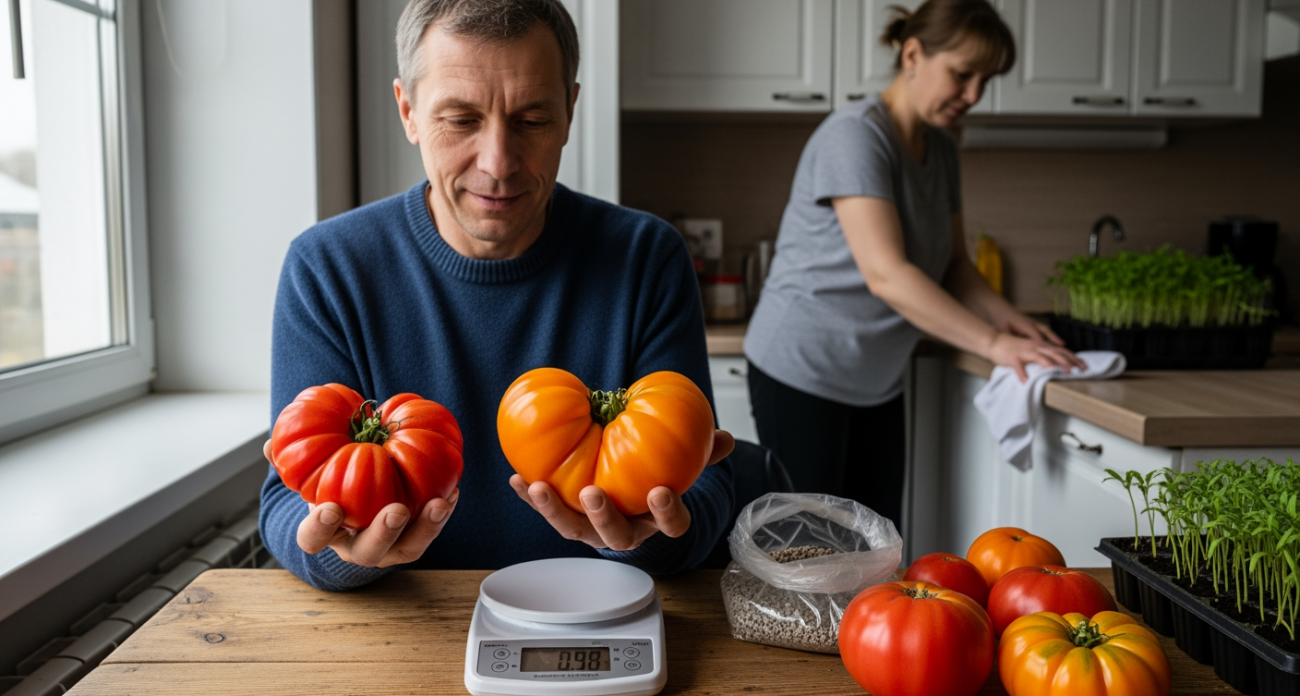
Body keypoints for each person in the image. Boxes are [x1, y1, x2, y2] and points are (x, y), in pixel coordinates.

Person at [259, 0, 734, 591]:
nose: (499, 163)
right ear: (408, 111)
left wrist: (651, 541)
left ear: (569, 113)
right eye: (460, 120)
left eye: (532, 121)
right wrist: (344, 555)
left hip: (596, 618)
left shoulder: (647, 257)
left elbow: (704, 482)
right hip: (407, 627)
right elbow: (286, 499)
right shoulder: (328, 267)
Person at [743, 0, 1082, 527]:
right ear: (914, 54)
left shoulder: (941, 150)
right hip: (803, 369)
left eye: (985, 80)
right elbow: (887, 274)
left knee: (877, 547)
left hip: (876, 379)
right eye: (962, 74)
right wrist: (993, 344)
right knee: (810, 552)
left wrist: (1007, 320)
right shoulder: (855, 135)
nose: (973, 95)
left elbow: (954, 265)